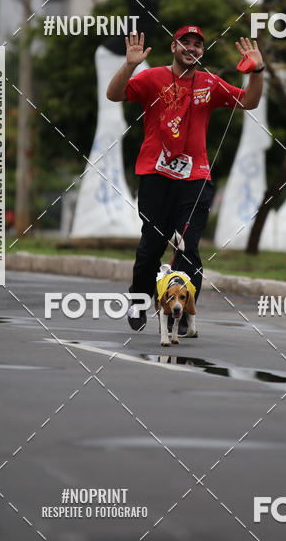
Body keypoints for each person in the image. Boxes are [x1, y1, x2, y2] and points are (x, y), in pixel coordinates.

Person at [106, 26, 264, 331]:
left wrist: (257, 70)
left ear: (202, 52)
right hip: (154, 174)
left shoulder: (209, 82)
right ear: (174, 46)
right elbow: (114, 94)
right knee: (152, 246)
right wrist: (129, 65)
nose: (191, 48)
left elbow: (249, 102)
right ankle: (140, 300)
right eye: (185, 43)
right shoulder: (153, 79)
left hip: (195, 179)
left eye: (197, 45)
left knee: (187, 245)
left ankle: (183, 310)